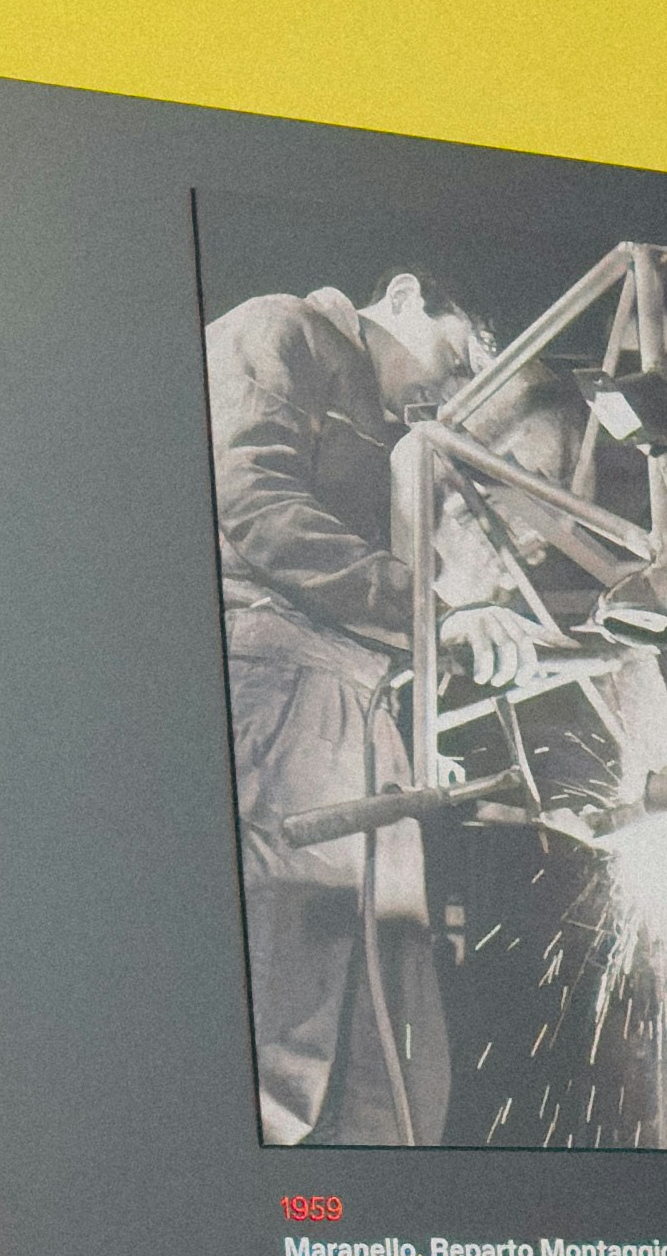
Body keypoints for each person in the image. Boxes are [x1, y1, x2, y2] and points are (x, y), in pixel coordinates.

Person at [203, 262, 488, 1140]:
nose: (458, 384)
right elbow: (251, 496)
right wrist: (426, 612)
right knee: (280, 1019)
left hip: (362, 704)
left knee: (392, 1066)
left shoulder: (404, 432)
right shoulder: (282, 328)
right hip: (280, 680)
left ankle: (375, 1244)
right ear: (405, 295)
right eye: (457, 352)